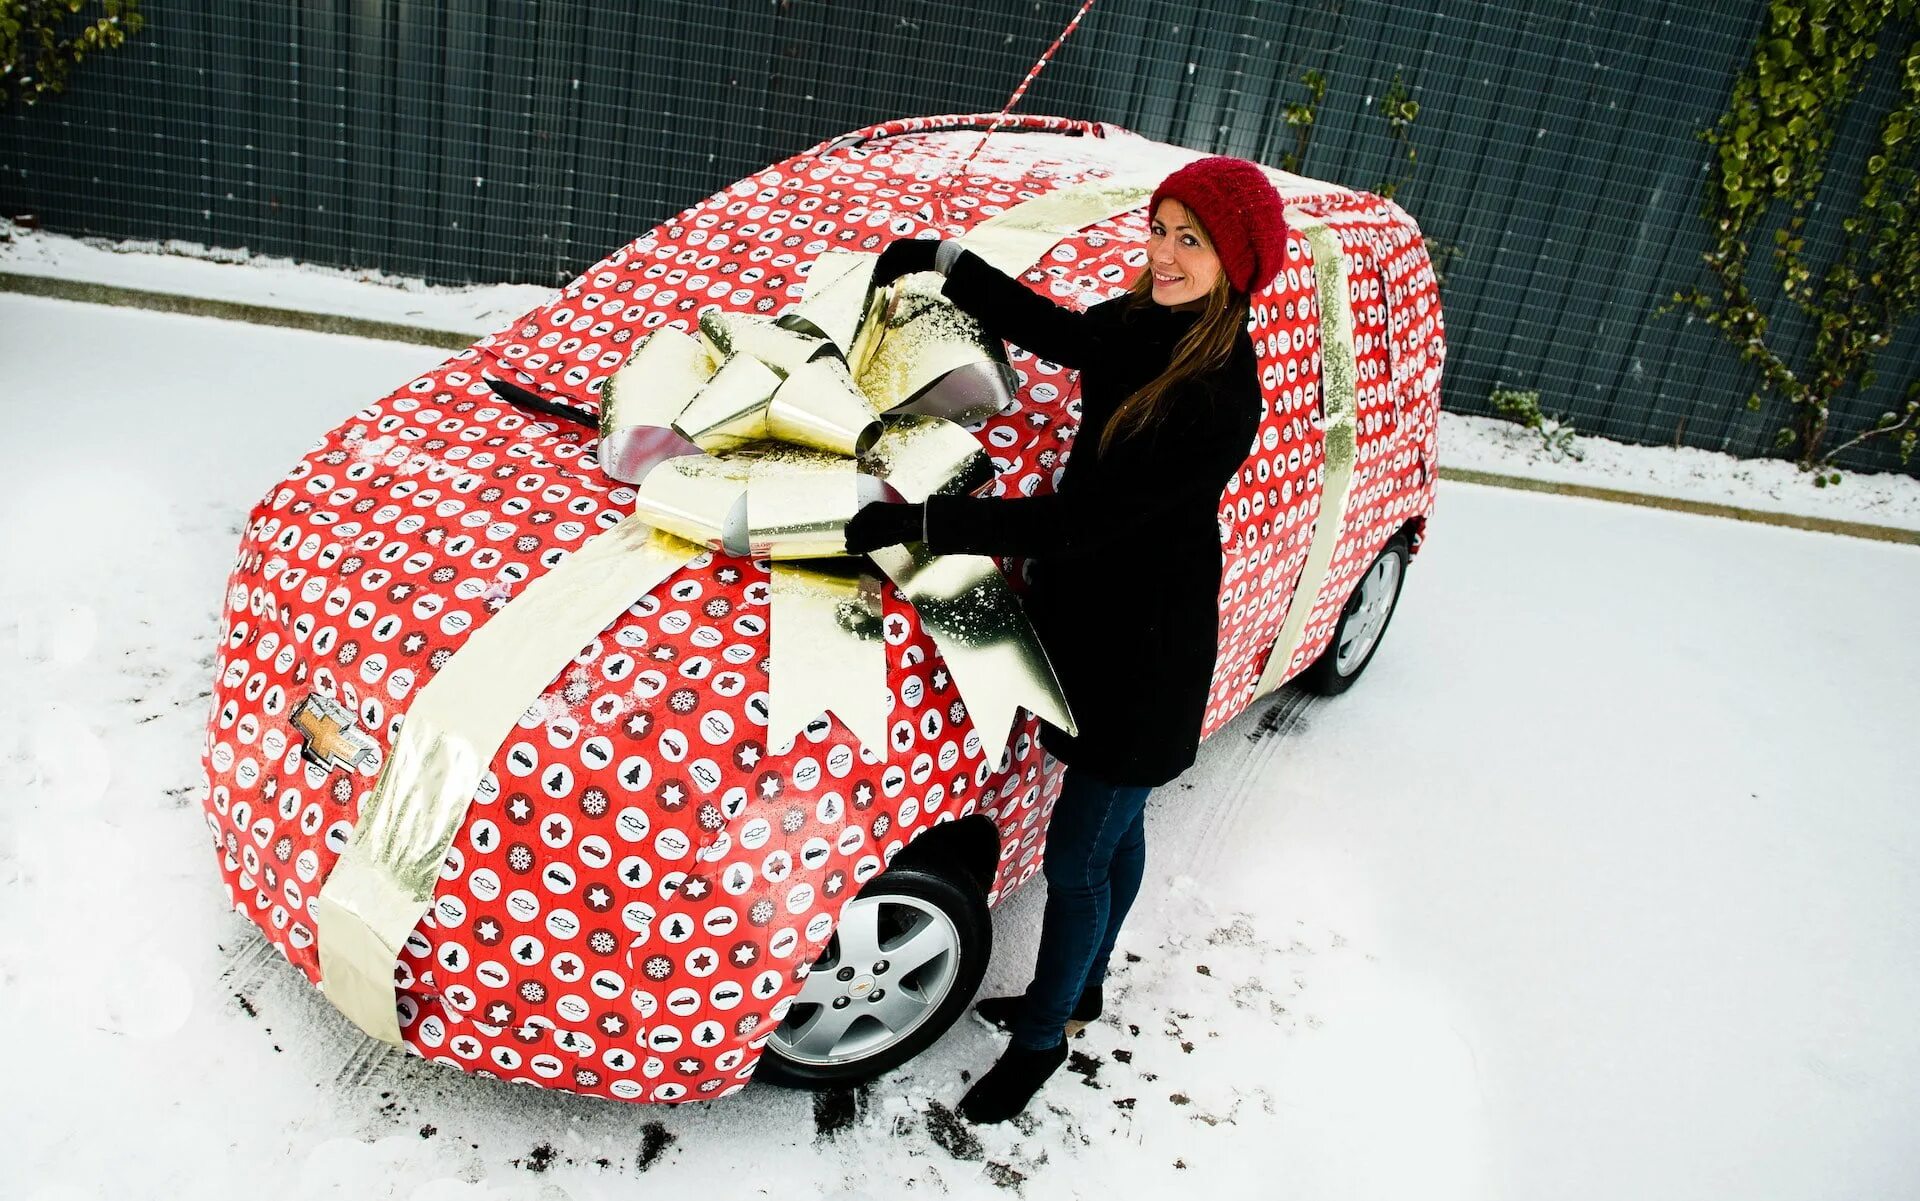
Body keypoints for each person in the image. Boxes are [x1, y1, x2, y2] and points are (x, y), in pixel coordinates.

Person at [843, 155, 1288, 1125]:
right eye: (1162, 228)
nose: (1165, 254)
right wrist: (947, 261)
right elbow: (1052, 330)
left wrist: (923, 525)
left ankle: (1044, 1041)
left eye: (1192, 240)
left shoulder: (1218, 394)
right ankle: (1082, 988)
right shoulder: (1141, 324)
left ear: (1237, 263)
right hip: (1092, 623)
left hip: (1149, 651)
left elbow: (1076, 523)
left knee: (1080, 852)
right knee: (1114, 831)